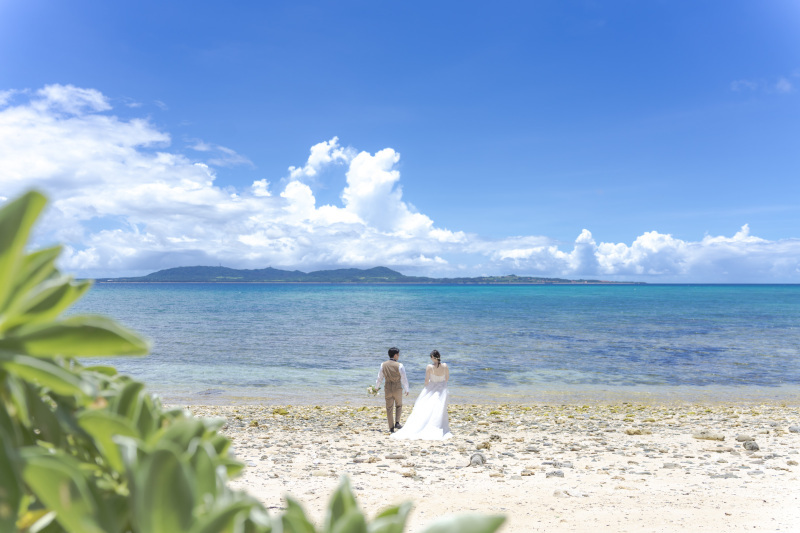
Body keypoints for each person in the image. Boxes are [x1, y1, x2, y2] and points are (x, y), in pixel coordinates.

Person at [391, 349, 452, 440]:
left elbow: (426, 381)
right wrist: (441, 384)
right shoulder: (445, 366)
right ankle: (439, 426)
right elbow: (446, 378)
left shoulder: (429, 367)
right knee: (439, 409)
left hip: (432, 388)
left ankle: (425, 425)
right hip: (442, 389)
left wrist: (428, 388)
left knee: (426, 407)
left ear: (432, 357)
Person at [376, 347, 409, 433]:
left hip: (387, 387)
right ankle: (397, 422)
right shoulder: (400, 365)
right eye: (398, 355)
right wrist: (406, 388)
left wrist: (376, 387)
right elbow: (404, 378)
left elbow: (380, 378)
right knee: (399, 405)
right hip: (397, 387)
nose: (398, 356)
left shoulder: (383, 364)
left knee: (389, 408)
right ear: (395, 355)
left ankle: (391, 428)